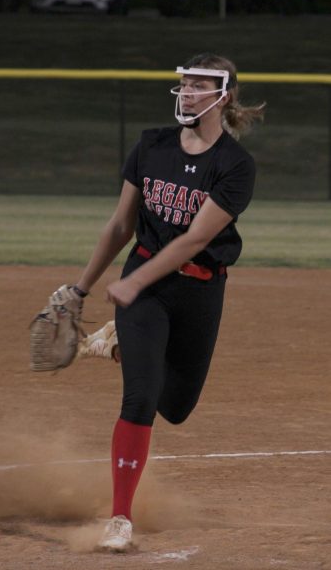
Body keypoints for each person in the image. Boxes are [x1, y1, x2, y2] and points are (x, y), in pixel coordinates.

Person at [68, 53, 265, 551]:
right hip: (147, 286)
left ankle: (117, 347)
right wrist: (81, 287)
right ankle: (120, 519)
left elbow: (196, 239)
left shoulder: (235, 165)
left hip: (199, 290)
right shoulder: (151, 145)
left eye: (200, 85)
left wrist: (134, 284)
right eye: (185, 84)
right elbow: (120, 226)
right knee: (140, 398)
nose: (188, 92)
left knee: (175, 406)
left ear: (225, 96)